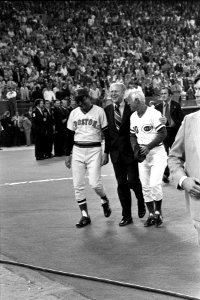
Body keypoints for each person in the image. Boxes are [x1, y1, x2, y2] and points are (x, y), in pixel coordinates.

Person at [65, 88, 111, 228]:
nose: (81, 104)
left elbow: (107, 134)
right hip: (78, 149)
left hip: (94, 149)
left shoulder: (99, 111)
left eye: (83, 100)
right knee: (77, 185)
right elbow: (69, 135)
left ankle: (104, 199)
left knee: (95, 183)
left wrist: (106, 153)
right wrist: (68, 154)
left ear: (88, 97)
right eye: (78, 102)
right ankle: (85, 215)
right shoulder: (74, 113)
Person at [104, 82, 146, 226]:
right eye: (111, 91)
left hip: (131, 152)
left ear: (123, 93)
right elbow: (107, 135)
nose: (113, 94)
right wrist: (106, 152)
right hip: (115, 154)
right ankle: (126, 215)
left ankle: (141, 200)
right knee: (121, 184)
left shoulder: (131, 108)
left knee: (133, 182)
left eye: (116, 91)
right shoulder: (107, 110)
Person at [126, 90, 167, 227]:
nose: (128, 104)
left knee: (155, 184)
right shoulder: (133, 117)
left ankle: (158, 213)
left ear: (137, 100)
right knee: (145, 186)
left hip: (156, 152)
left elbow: (162, 133)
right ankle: (151, 214)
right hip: (143, 154)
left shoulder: (154, 114)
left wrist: (149, 146)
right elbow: (132, 135)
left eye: (129, 101)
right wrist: (135, 148)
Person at [168, 74, 200, 245]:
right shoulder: (189, 121)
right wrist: (182, 180)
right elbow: (174, 157)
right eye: (197, 89)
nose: (198, 93)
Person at [155, 86, 184, 183]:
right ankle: (165, 173)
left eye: (165, 93)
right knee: (164, 154)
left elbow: (181, 120)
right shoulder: (157, 107)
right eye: (161, 93)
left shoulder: (176, 105)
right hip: (163, 134)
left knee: (174, 155)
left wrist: (169, 122)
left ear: (170, 95)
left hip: (174, 134)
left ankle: (179, 174)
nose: (163, 95)